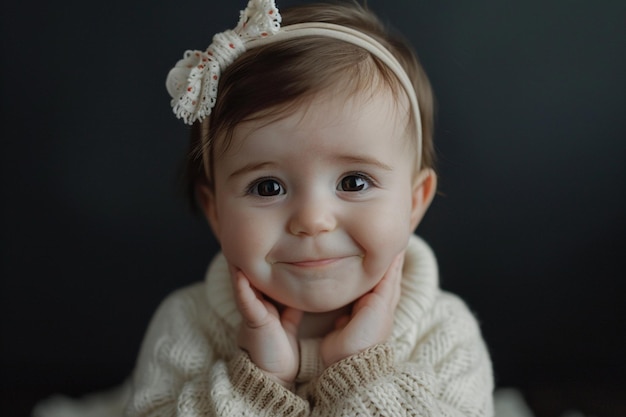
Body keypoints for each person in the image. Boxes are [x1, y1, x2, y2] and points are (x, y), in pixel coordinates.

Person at [34, 0, 494, 416]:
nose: (312, 219)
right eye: (268, 186)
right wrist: (258, 382)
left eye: (354, 182)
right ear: (215, 212)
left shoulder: (444, 332)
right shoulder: (187, 325)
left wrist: (360, 371)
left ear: (415, 203)